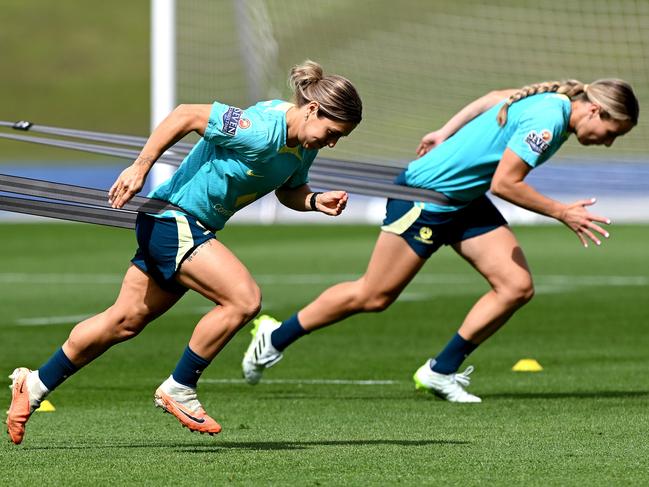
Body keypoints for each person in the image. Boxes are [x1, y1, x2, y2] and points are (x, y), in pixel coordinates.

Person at [6, 60, 362, 444]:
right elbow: (185, 115)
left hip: (184, 226)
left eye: (338, 137)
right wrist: (140, 168)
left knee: (123, 321)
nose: (331, 143)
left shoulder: (303, 145)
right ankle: (179, 387)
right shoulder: (258, 128)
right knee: (243, 300)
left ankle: (35, 384)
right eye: (331, 132)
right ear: (312, 110)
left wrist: (313, 200)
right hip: (172, 218)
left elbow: (289, 189)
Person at [242, 79, 639, 403]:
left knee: (515, 287)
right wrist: (561, 211)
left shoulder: (555, 100)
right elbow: (505, 183)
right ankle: (274, 337)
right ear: (596, 111)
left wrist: (445, 132)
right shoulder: (548, 121)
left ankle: (440, 371)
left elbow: (493, 98)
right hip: (425, 196)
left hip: (462, 200)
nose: (607, 143)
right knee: (373, 296)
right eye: (610, 133)